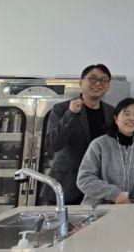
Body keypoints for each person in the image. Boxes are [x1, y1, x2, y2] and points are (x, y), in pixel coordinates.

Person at [42, 63, 115, 204]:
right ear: (81, 83)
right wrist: (71, 113)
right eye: (92, 79)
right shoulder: (61, 109)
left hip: (100, 185)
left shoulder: (111, 112)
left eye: (103, 80)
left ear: (108, 86)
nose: (98, 83)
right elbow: (53, 145)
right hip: (68, 185)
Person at [76, 98, 134, 205]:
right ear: (116, 118)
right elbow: (84, 179)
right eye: (126, 114)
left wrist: (133, 203)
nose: (132, 118)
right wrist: (115, 194)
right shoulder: (99, 144)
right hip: (99, 208)